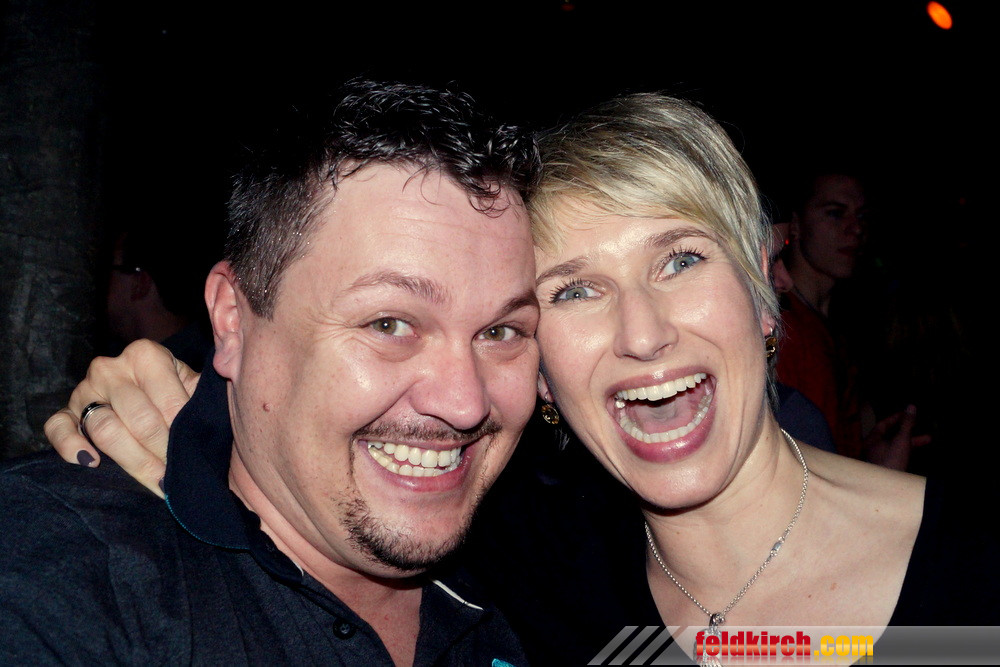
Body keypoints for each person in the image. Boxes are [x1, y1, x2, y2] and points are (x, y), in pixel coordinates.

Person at [42, 93, 998, 663]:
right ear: (539, 367)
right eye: (574, 290)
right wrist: (184, 400)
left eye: (680, 260)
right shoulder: (523, 563)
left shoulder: (973, 572)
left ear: (763, 291)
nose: (642, 333)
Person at [1, 79, 540, 666]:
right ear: (233, 321)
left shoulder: (547, 580)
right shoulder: (60, 577)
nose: (464, 402)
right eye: (389, 323)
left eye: (500, 332)